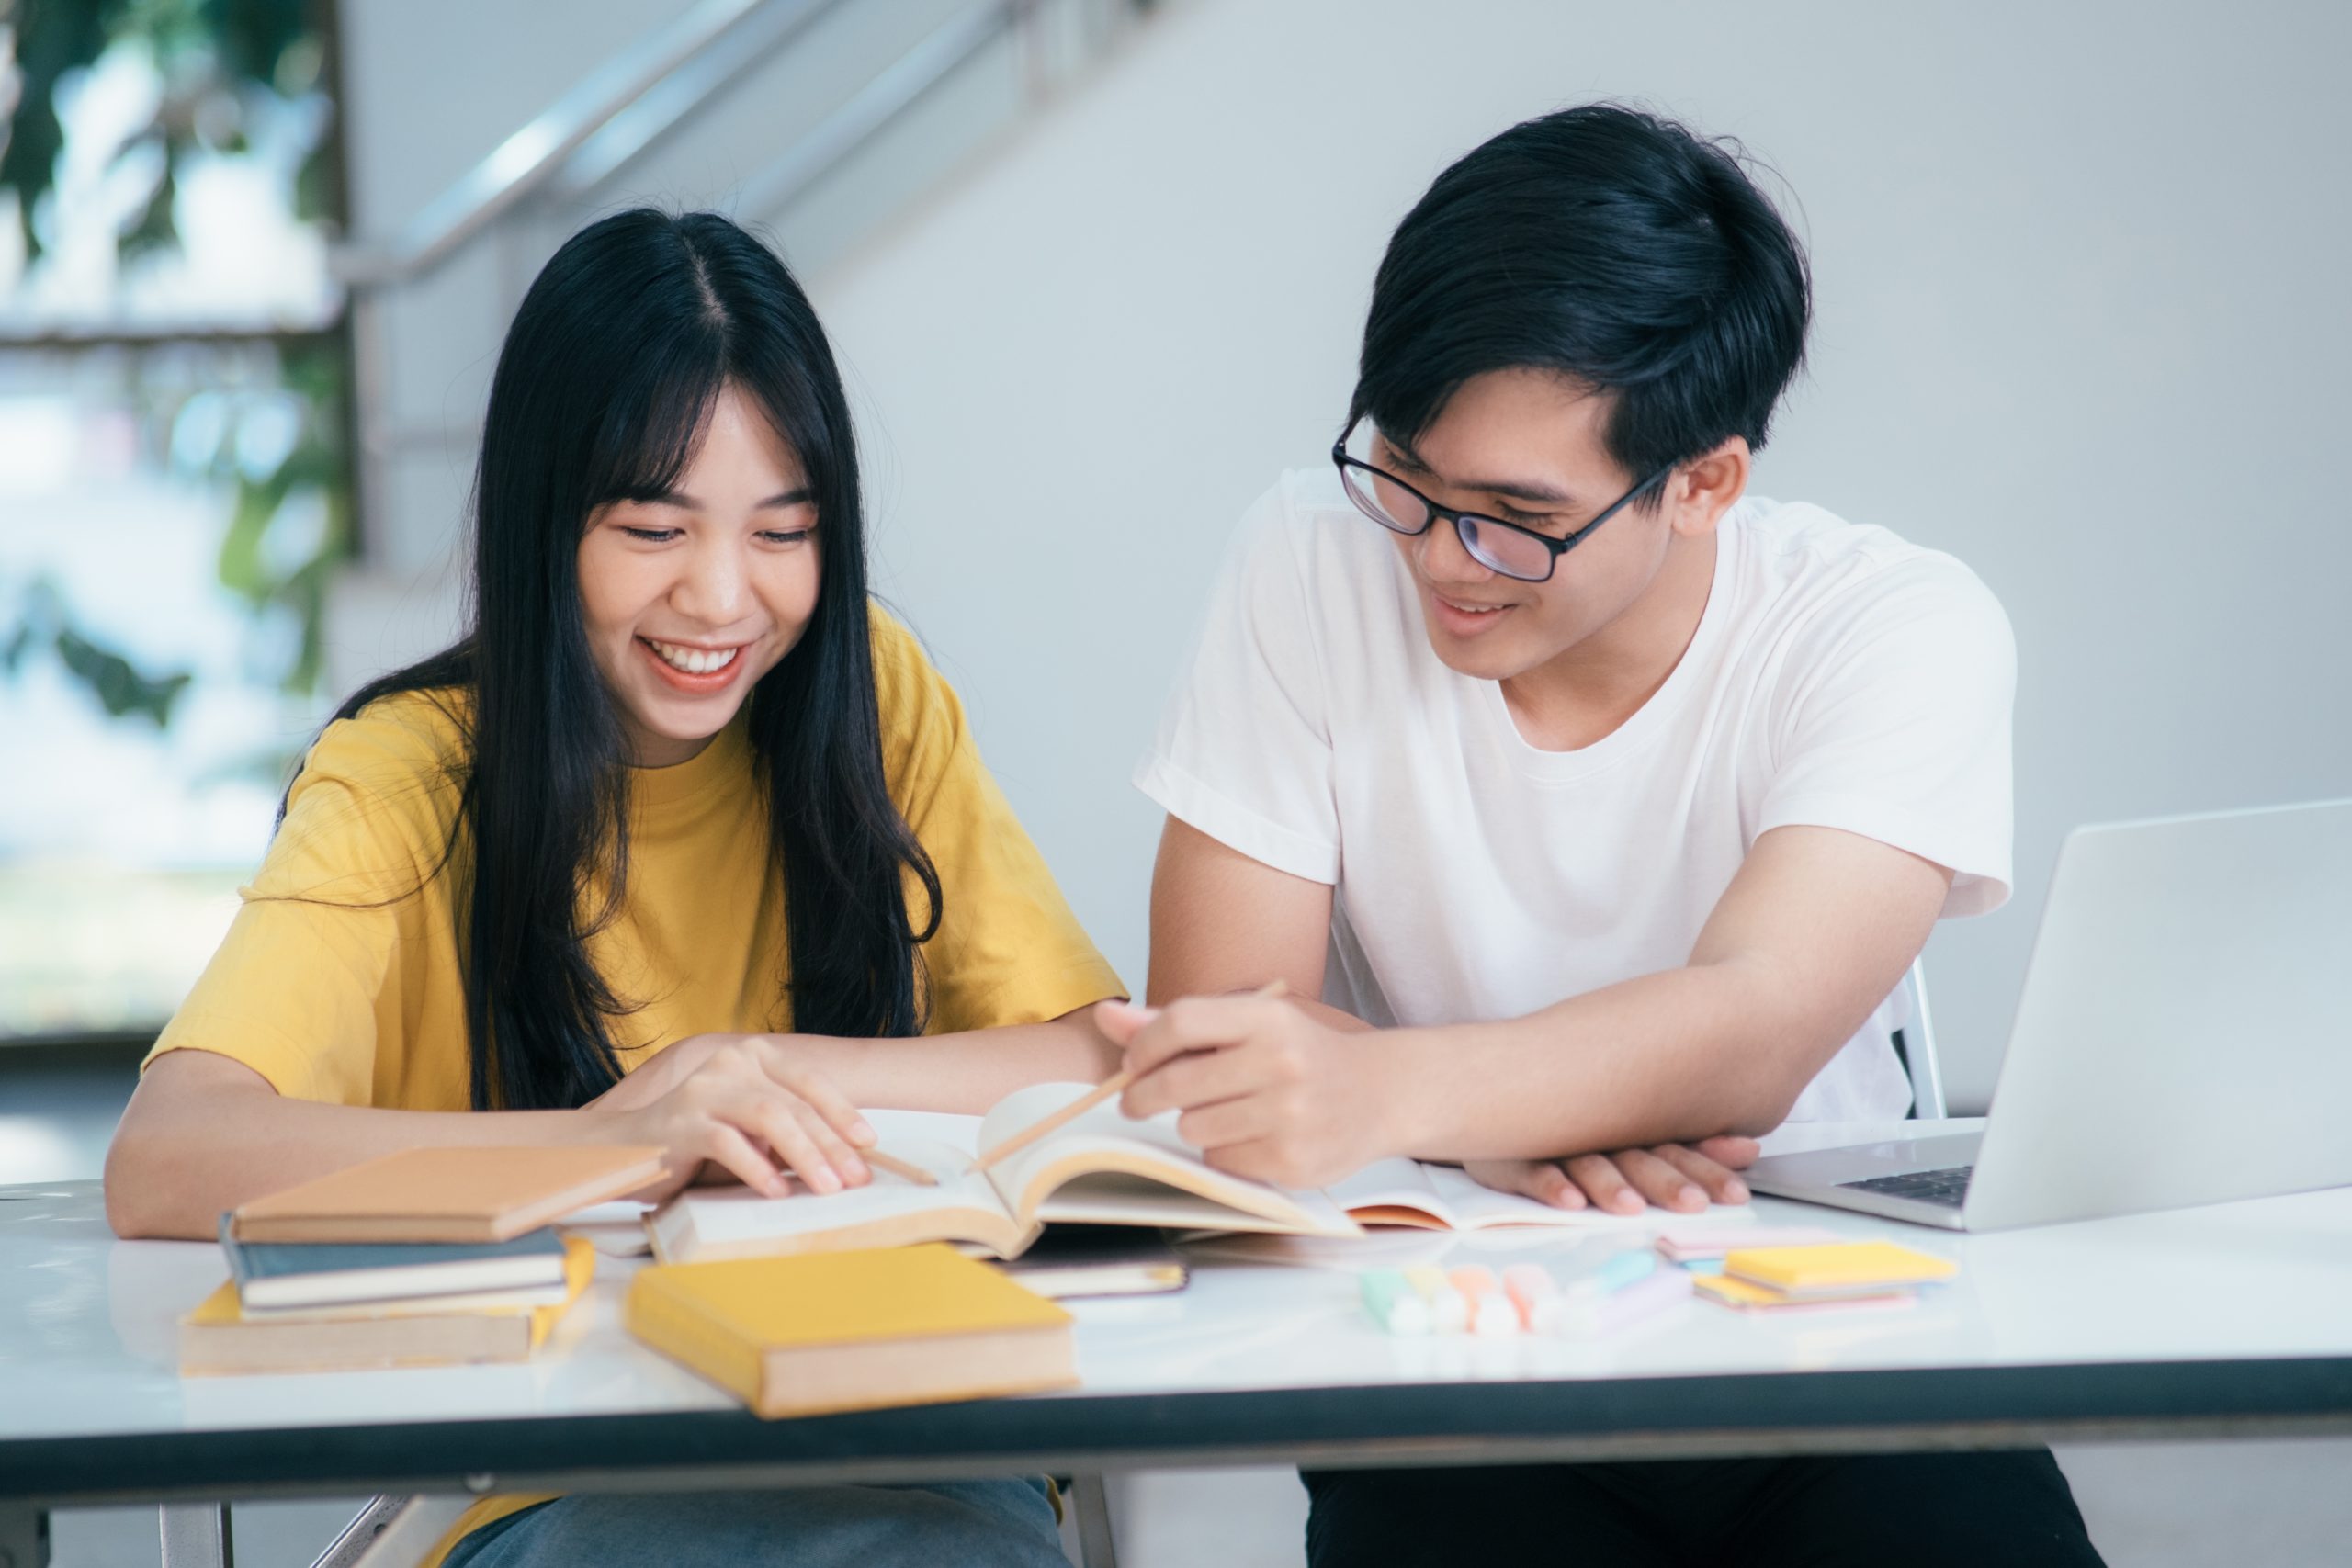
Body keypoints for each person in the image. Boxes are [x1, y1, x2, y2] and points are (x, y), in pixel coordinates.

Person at [1102, 106, 2107, 1565]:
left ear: (1703, 481)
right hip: (1451, 1338)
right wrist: (1502, 1114)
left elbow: (1751, 1028)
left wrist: (1401, 1096)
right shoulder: (1308, 558)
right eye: (1408, 475)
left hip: (1833, 1326)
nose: (1445, 560)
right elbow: (1234, 1040)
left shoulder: (1892, 628)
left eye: (1520, 518)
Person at [104, 209, 1122, 1568]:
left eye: (784, 531)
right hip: (556, 1474)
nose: (721, 598)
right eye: (653, 528)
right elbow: (170, 1155)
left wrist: (743, 1070)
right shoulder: (409, 777)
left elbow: (1091, 1060)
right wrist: (613, 1141)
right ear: (545, 522)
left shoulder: (872, 697)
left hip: (899, 1429)